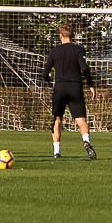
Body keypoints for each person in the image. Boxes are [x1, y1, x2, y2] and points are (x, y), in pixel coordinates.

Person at [42, 22, 96, 160]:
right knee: (81, 119)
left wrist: (48, 81)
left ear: (60, 36)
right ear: (73, 35)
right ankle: (86, 142)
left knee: (57, 118)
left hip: (60, 88)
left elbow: (45, 72)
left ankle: (57, 151)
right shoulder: (79, 50)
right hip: (75, 87)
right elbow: (85, 68)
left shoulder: (54, 51)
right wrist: (90, 84)